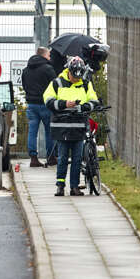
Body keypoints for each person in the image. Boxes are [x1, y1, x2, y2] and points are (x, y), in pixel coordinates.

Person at [43, 57, 99, 197]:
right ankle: (60, 186)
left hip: (79, 126)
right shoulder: (57, 83)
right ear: (69, 71)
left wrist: (84, 107)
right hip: (62, 127)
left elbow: (94, 100)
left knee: (77, 158)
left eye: (78, 77)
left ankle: (74, 187)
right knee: (62, 158)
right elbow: (48, 100)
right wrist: (64, 104)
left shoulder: (85, 84)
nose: (76, 79)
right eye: (74, 76)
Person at [22, 46, 57, 167]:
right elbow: (55, 86)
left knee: (32, 132)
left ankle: (33, 158)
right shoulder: (48, 69)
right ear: (44, 55)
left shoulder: (26, 70)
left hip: (31, 105)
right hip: (46, 104)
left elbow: (25, 86)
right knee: (49, 132)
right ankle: (51, 157)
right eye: (48, 55)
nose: (50, 57)